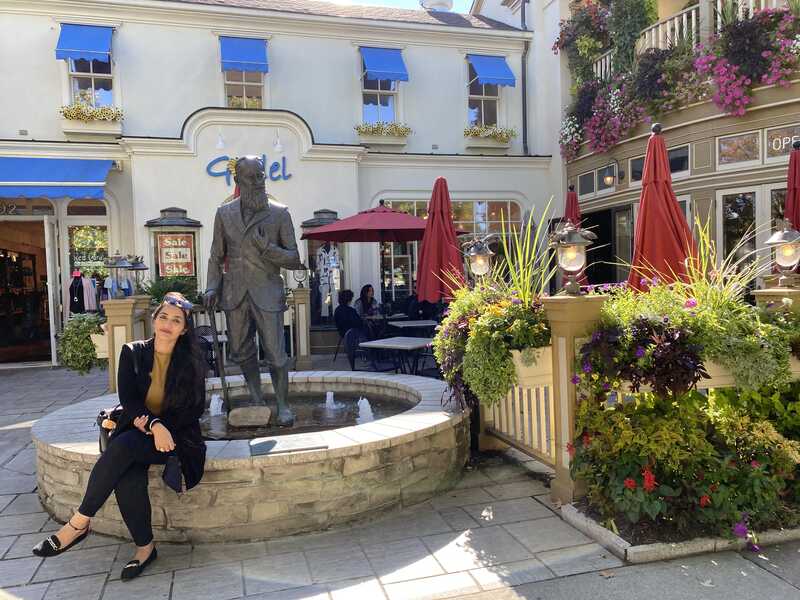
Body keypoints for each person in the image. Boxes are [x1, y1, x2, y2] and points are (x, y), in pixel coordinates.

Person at [32, 292, 207, 582]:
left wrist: (162, 428)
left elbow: (195, 409)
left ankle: (78, 524)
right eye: (163, 316)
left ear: (184, 328)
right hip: (141, 432)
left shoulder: (192, 360)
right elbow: (130, 400)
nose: (168, 323)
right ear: (154, 319)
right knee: (127, 473)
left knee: (124, 447)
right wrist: (153, 424)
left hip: (177, 440)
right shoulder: (133, 352)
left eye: (176, 320)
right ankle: (145, 548)